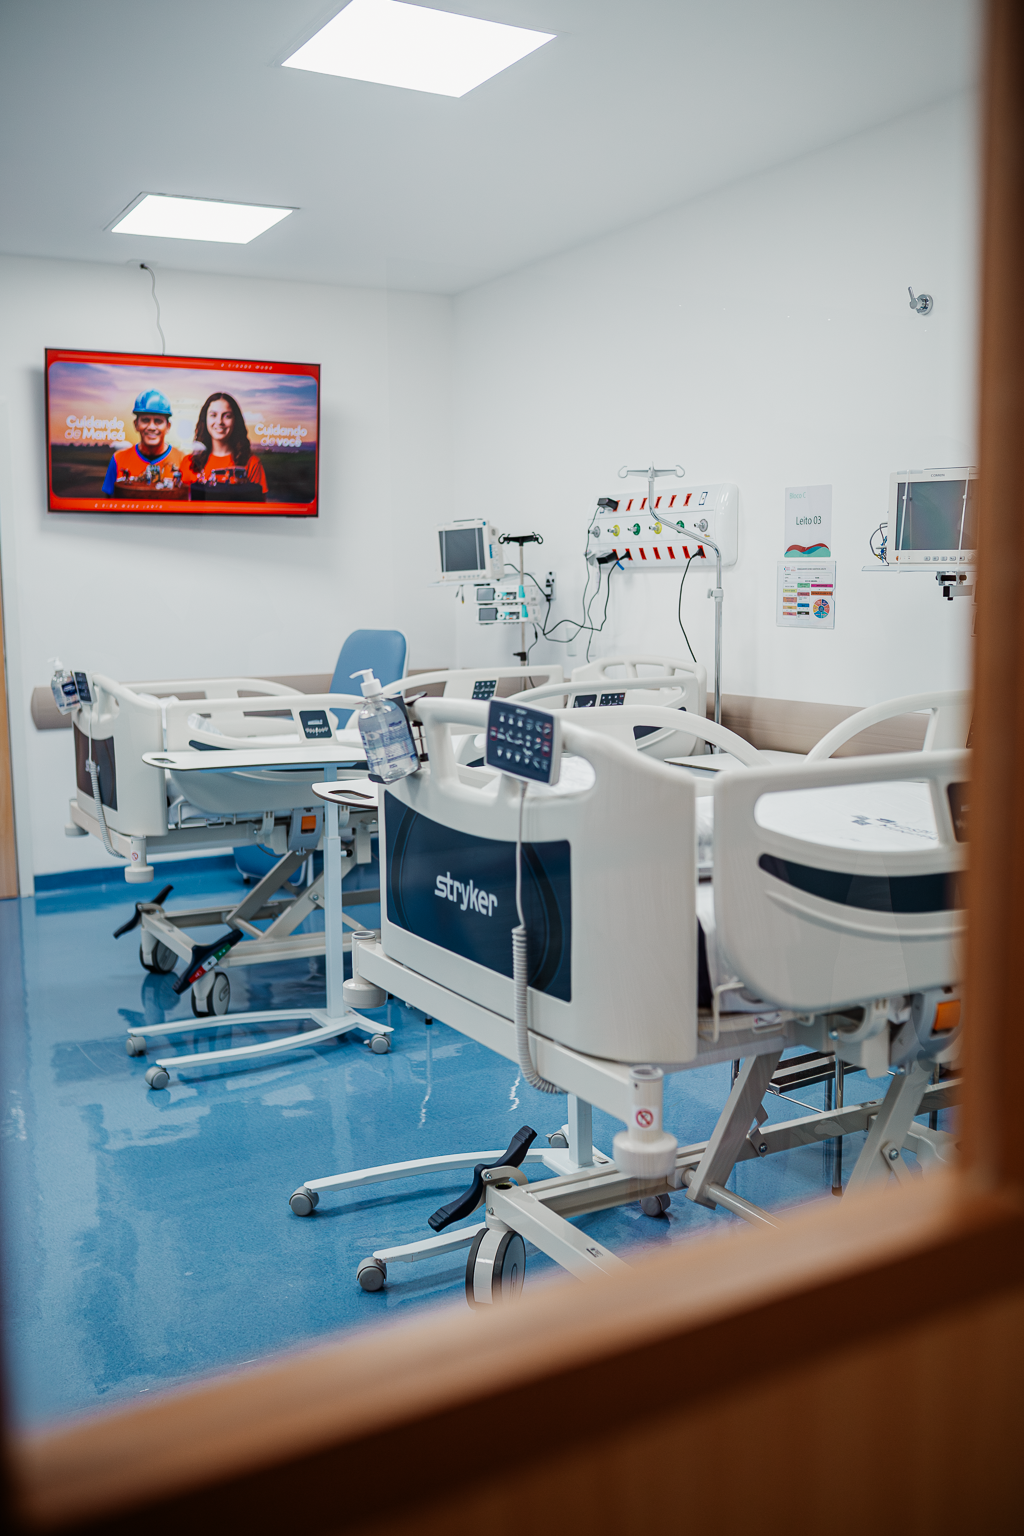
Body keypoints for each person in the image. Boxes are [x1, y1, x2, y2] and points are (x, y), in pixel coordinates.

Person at [180, 392, 268, 501]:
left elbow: (259, 507)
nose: (219, 422)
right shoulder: (189, 463)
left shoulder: (252, 464)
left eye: (227, 416)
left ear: (235, 421)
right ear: (204, 420)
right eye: (213, 415)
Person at [102, 389, 185, 497]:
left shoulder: (183, 461)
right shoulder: (118, 459)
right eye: (145, 420)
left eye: (158, 421)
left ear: (168, 426)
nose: (151, 427)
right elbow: (108, 502)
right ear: (136, 424)